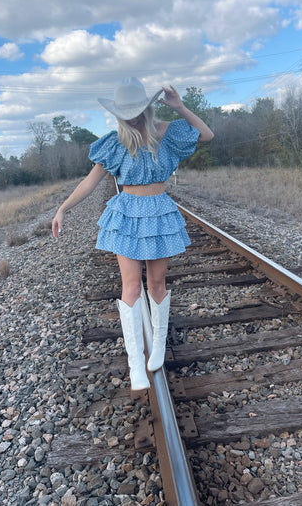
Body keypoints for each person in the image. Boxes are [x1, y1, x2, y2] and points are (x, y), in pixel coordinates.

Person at [52, 76, 214, 391]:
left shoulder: (166, 132)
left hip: (159, 212)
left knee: (156, 285)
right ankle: (135, 364)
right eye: (126, 112)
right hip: (126, 214)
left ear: (147, 107)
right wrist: (62, 209)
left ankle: (157, 345)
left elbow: (207, 134)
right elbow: (90, 182)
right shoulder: (114, 141)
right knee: (131, 289)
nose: (133, 116)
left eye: (138, 109)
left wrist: (180, 106)